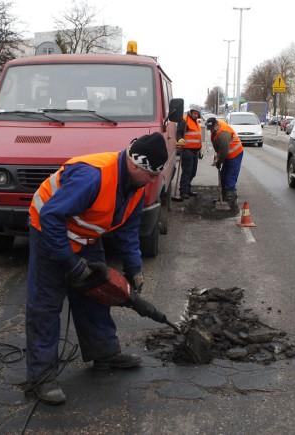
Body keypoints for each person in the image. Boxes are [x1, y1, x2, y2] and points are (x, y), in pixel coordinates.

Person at [26, 132, 168, 405]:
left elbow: (128, 229)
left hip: (85, 236)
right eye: (150, 175)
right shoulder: (93, 177)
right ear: (135, 164)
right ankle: (41, 377)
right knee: (46, 305)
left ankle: (104, 353)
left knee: (96, 294)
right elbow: (51, 216)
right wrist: (69, 263)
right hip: (49, 232)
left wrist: (133, 269)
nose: (152, 182)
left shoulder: (135, 186)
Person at [205, 116, 243, 208]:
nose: (211, 131)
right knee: (223, 175)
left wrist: (219, 162)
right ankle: (222, 196)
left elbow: (224, 151)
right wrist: (217, 157)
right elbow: (219, 147)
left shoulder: (224, 134)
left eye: (212, 129)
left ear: (216, 125)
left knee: (230, 175)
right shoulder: (215, 129)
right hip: (226, 154)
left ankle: (230, 198)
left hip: (235, 154)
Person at [175, 108, 203, 200]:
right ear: (191, 113)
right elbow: (179, 132)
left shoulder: (196, 122)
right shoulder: (185, 120)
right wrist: (179, 139)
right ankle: (183, 191)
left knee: (193, 172)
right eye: (194, 113)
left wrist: (200, 149)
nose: (195, 115)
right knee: (187, 171)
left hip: (195, 151)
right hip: (187, 150)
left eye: (197, 114)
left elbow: (197, 136)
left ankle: (187, 189)